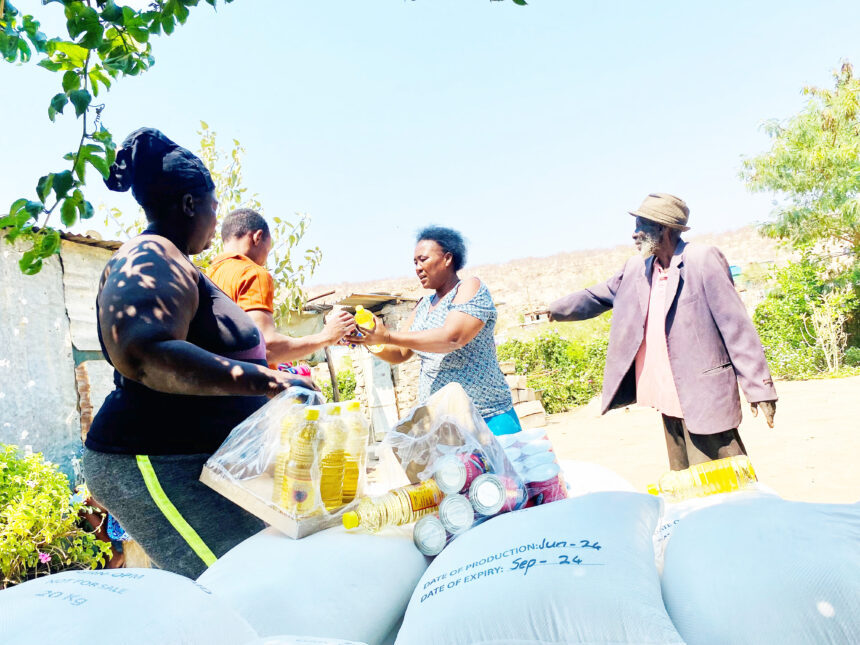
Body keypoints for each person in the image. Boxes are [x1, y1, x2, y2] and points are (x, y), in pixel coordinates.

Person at [82, 128, 313, 579]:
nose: (215, 219)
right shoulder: (151, 256)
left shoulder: (180, 263)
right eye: (212, 207)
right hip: (150, 461)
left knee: (263, 576)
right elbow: (143, 351)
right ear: (190, 204)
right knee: (231, 587)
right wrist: (270, 381)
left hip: (195, 462)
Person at [548, 193, 778, 470]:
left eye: (641, 225)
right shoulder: (638, 268)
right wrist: (554, 310)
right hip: (667, 395)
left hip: (703, 394)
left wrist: (759, 390)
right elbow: (598, 296)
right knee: (687, 482)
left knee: (728, 480)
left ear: (665, 228)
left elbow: (737, 328)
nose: (634, 234)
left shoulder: (702, 259)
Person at [349, 226, 521, 436]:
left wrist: (387, 335)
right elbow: (400, 353)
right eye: (415, 262)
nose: (418, 268)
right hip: (442, 423)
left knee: (498, 469)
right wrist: (370, 341)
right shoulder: (422, 306)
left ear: (447, 259)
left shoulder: (470, 287)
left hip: (487, 417)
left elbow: (453, 337)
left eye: (423, 259)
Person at [206, 209, 355, 367]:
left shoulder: (207, 276)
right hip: (247, 388)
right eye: (268, 251)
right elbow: (265, 348)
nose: (264, 261)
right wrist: (325, 337)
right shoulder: (251, 273)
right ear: (257, 237)